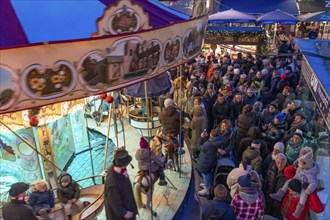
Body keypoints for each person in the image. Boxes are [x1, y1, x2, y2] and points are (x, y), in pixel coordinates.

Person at [270, 152, 319, 218]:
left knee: (303, 196)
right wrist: (295, 165)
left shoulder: (310, 174)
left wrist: (310, 190)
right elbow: (287, 170)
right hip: (284, 213)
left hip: (304, 187)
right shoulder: (300, 167)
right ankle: (279, 194)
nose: (290, 192)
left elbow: (319, 209)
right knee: (288, 182)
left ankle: (298, 211)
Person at [104, 149, 138, 219]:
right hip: (121, 216)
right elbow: (114, 202)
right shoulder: (112, 184)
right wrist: (124, 213)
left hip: (128, 204)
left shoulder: (119, 169)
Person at [197, 129, 222, 196]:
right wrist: (206, 138)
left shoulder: (209, 144)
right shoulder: (219, 139)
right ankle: (206, 185)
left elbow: (199, 147)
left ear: (211, 134)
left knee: (205, 174)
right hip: (211, 160)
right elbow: (209, 143)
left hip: (205, 161)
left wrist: (201, 138)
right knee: (207, 173)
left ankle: (206, 189)